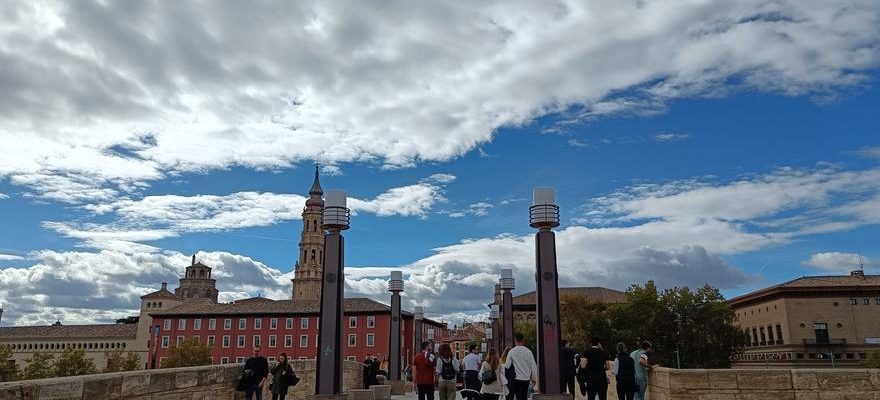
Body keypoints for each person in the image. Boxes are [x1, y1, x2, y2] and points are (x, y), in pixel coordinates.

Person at [503, 333, 538, 400]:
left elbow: (507, 365)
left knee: (518, 397)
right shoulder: (528, 352)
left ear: (515, 340)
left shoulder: (512, 352)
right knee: (524, 396)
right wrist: (534, 379)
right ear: (523, 340)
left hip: (516, 379)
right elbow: (534, 366)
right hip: (526, 379)